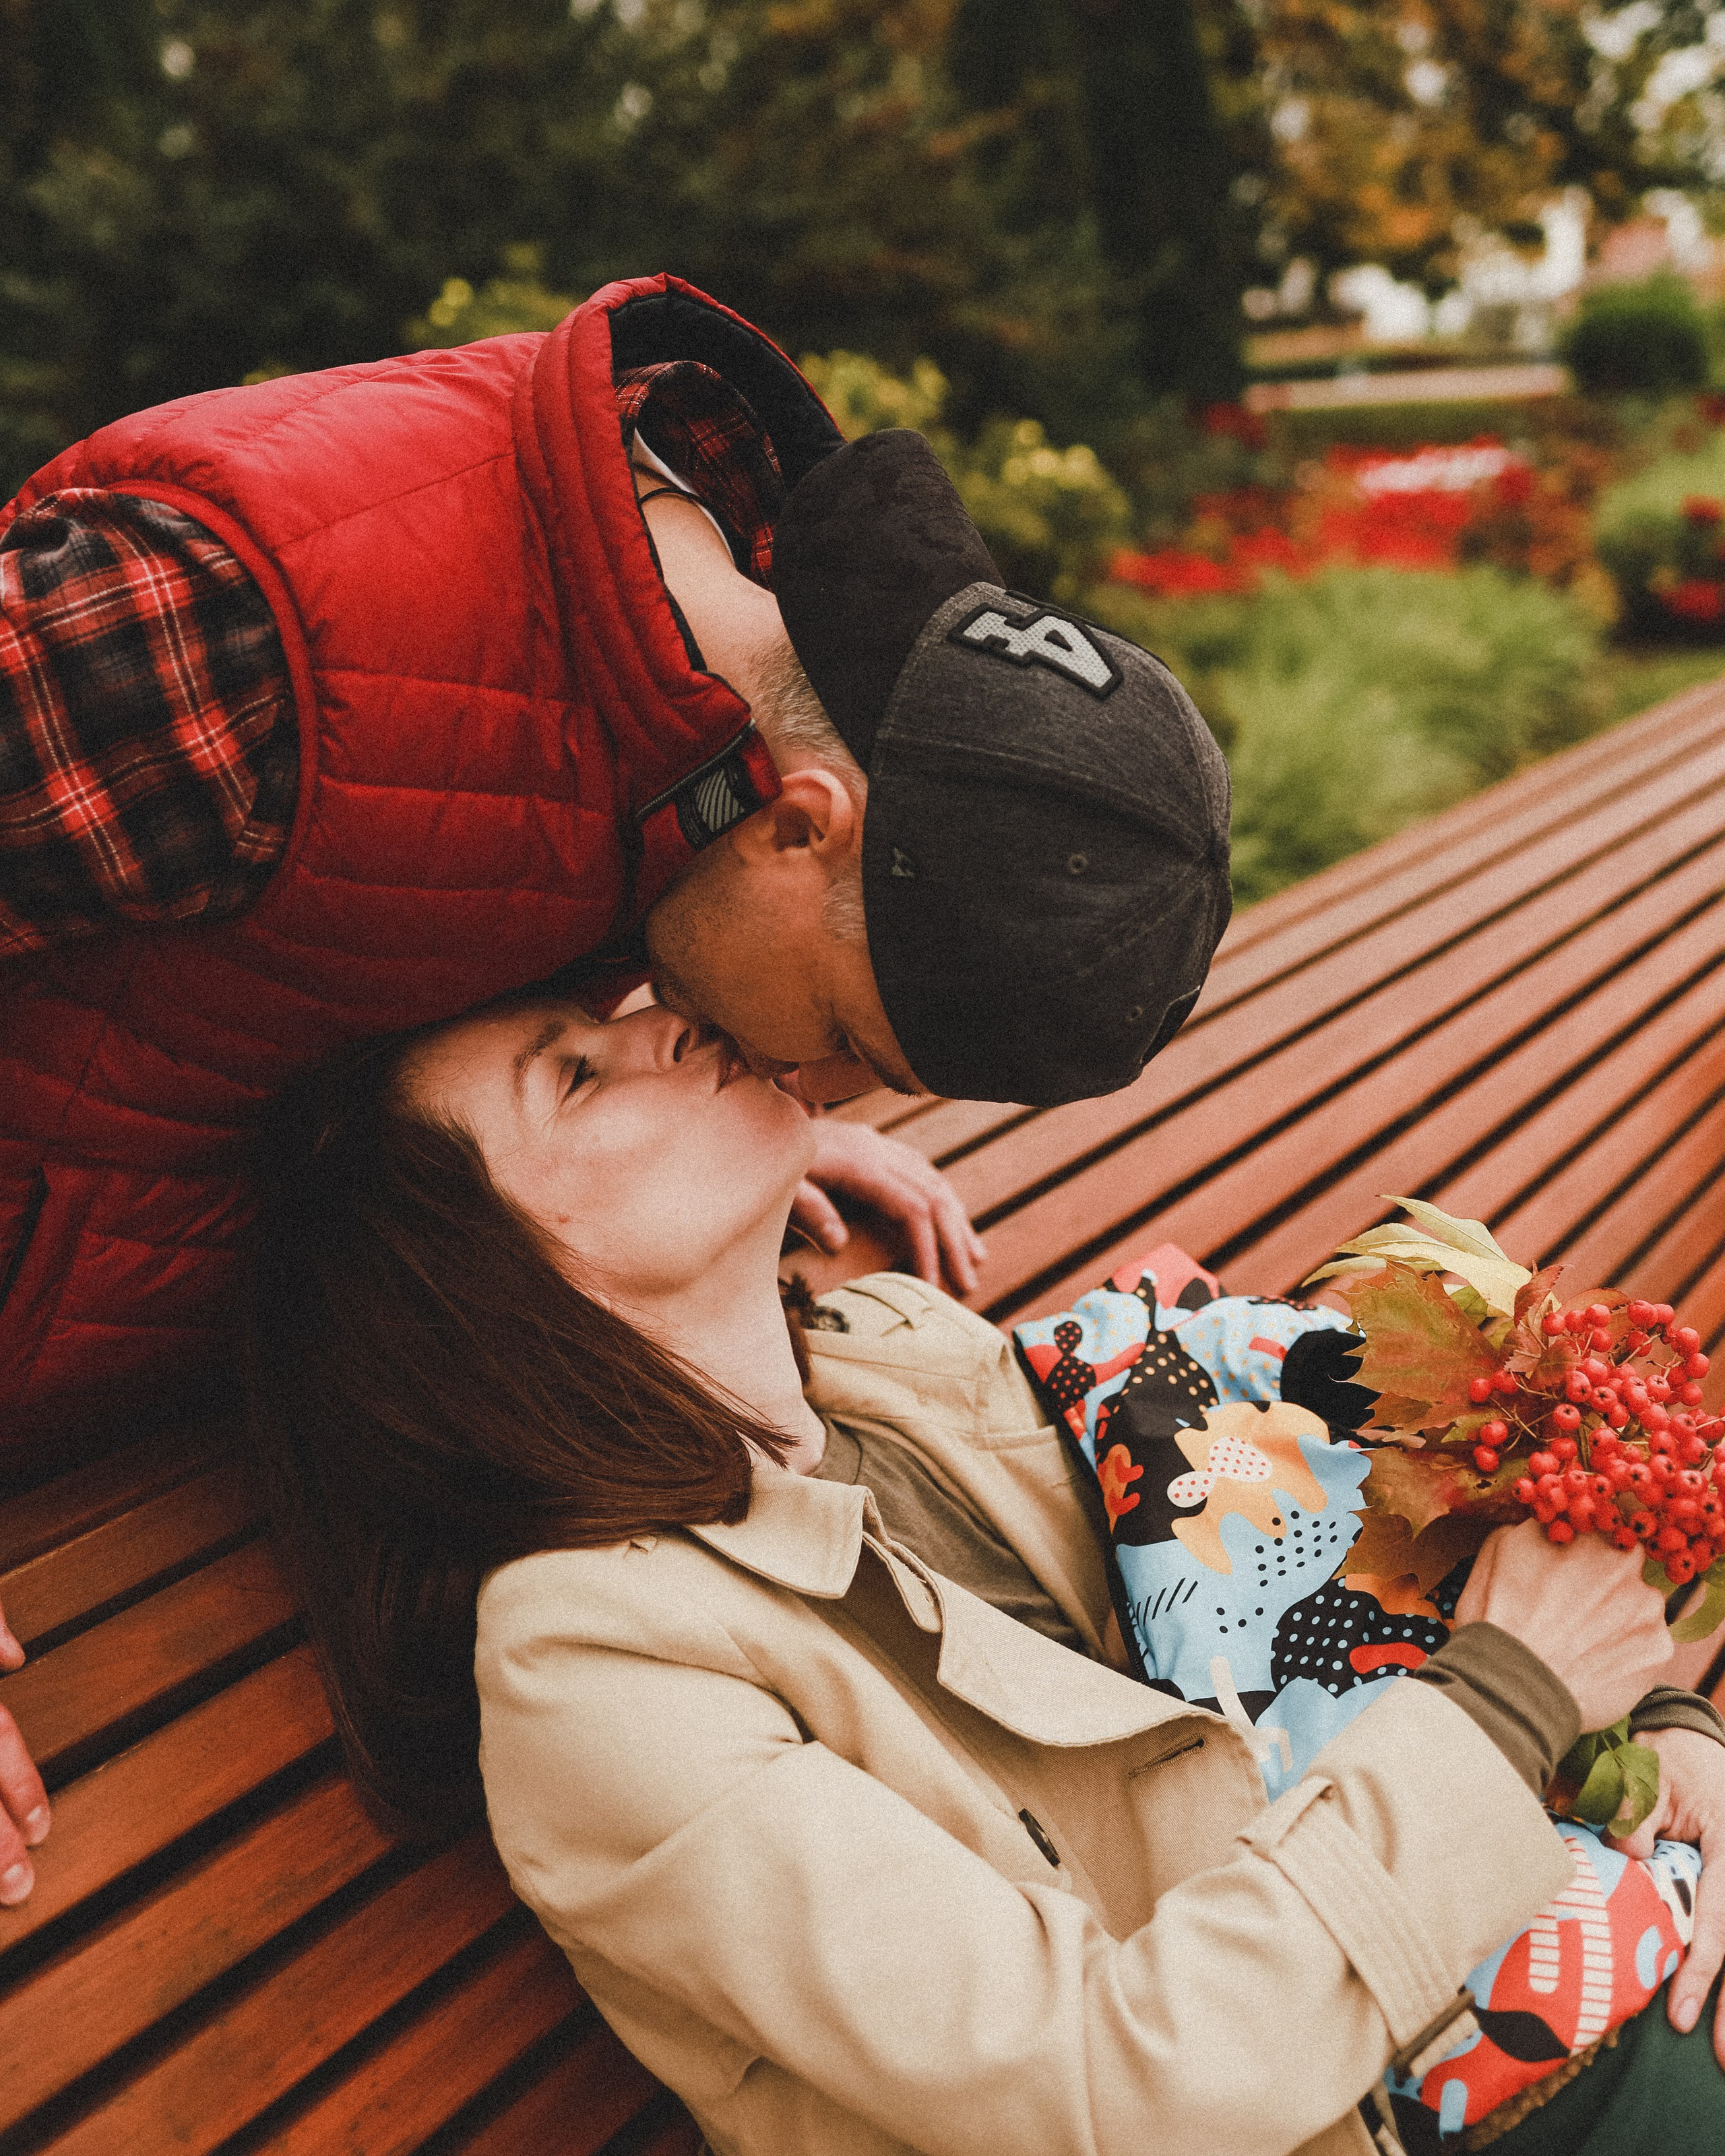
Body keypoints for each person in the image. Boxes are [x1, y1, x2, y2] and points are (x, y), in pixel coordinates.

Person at [177, 992, 1725, 2153]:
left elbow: (1300, 1600)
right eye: (576, 1072)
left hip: (1575, 1986)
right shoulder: (594, 1670)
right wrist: (1512, 1705)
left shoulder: (893, 1364)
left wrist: (1656, 1733)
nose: (661, 1024)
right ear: (484, 1281)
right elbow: (1117, 2085)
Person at [0, 271, 1232, 1452]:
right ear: (804, 826)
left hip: (200, 1424)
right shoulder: (240, 631)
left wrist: (711, 1152)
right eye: (847, 1040)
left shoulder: (709, 726)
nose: (813, 1091)